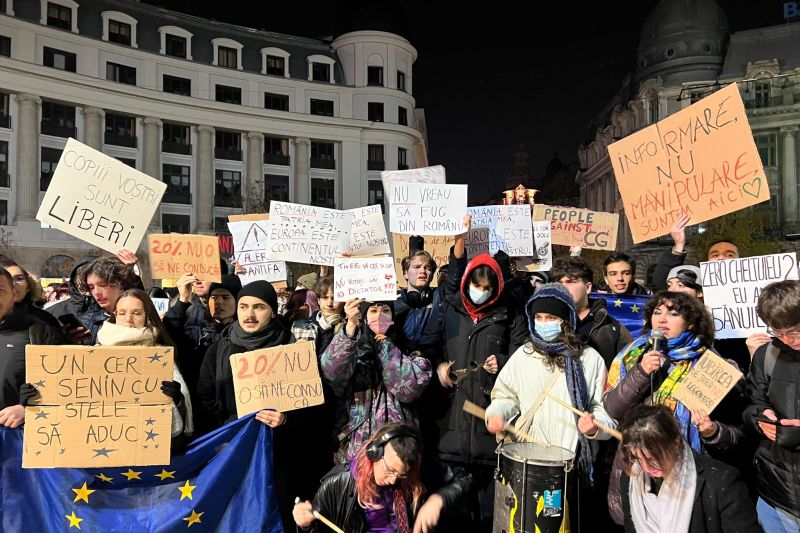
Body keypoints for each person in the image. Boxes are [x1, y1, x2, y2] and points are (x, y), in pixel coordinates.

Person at [605, 291, 748, 523]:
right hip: (639, 469)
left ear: (690, 322)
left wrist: (713, 433)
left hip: (687, 474)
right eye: (657, 313)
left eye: (673, 313)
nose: (662, 319)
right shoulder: (633, 356)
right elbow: (612, 409)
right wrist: (641, 373)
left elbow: (738, 433)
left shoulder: (712, 365)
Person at [486, 283, 616, 531]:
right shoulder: (524, 355)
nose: (543, 323)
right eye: (538, 317)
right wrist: (496, 414)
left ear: (566, 319)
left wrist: (594, 427)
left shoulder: (589, 359)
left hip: (568, 470)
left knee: (554, 525)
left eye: (551, 317)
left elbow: (604, 410)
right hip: (525, 465)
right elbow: (505, 395)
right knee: (521, 524)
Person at [197, 280, 317, 531]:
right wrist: (230, 428)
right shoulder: (219, 348)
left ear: (272, 311)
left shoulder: (292, 349)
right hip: (231, 452)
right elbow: (205, 400)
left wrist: (285, 421)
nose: (249, 314)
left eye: (258, 307)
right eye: (243, 307)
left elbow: (312, 411)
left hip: (278, 457)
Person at [434, 250, 528, 531]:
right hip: (450, 424)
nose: (481, 293)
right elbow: (429, 346)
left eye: (487, 288)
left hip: (489, 429)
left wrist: (501, 362)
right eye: (477, 286)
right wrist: (438, 367)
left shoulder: (508, 314)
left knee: (489, 516)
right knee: (455, 516)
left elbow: (522, 356)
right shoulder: (451, 308)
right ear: (467, 284)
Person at [293, 423, 471, 533]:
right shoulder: (338, 483)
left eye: (400, 474)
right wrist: (305, 526)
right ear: (374, 452)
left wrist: (438, 499)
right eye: (390, 469)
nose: (393, 480)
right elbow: (316, 528)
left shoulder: (411, 474)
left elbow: (464, 478)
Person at [321, 299, 432, 464]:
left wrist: (385, 346)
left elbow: (408, 390)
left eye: (386, 311)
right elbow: (331, 371)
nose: (379, 315)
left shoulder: (408, 350)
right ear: (364, 317)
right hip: (356, 447)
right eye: (373, 311)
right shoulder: (352, 347)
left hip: (398, 446)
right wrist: (350, 327)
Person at [618, 404, 759, 533]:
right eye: (637, 458)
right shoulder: (631, 479)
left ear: (676, 442)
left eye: (654, 457)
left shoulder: (722, 482)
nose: (646, 467)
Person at [90, 289, 192, 448]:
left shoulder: (161, 356)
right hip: (106, 444)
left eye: (136, 313)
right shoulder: (95, 354)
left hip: (151, 446)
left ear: (147, 316)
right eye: (122, 313)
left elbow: (180, 414)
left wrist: (177, 398)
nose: (128, 319)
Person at [744, 280, 800, 530]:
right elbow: (752, 403)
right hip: (774, 493)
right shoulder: (767, 354)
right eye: (779, 332)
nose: (788, 340)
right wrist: (760, 417)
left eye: (795, 331)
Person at [0, 269, 64, 428]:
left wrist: (28, 409)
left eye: (0, 291)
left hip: (14, 438)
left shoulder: (38, 331)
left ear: (14, 294)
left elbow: (63, 383)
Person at [165, 274, 241, 406]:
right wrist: (182, 300)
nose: (218, 302)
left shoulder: (243, 335)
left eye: (225, 297)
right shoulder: (198, 334)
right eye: (214, 297)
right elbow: (168, 333)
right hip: (201, 409)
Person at [550, 256, 633, 368]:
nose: (563, 288)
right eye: (559, 283)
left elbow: (630, 371)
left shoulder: (613, 329)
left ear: (588, 287)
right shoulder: (545, 324)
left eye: (570, 281)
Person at [0, 259, 60, 328]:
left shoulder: (43, 320)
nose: (13, 283)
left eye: (19, 278)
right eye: (8, 279)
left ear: (28, 285)